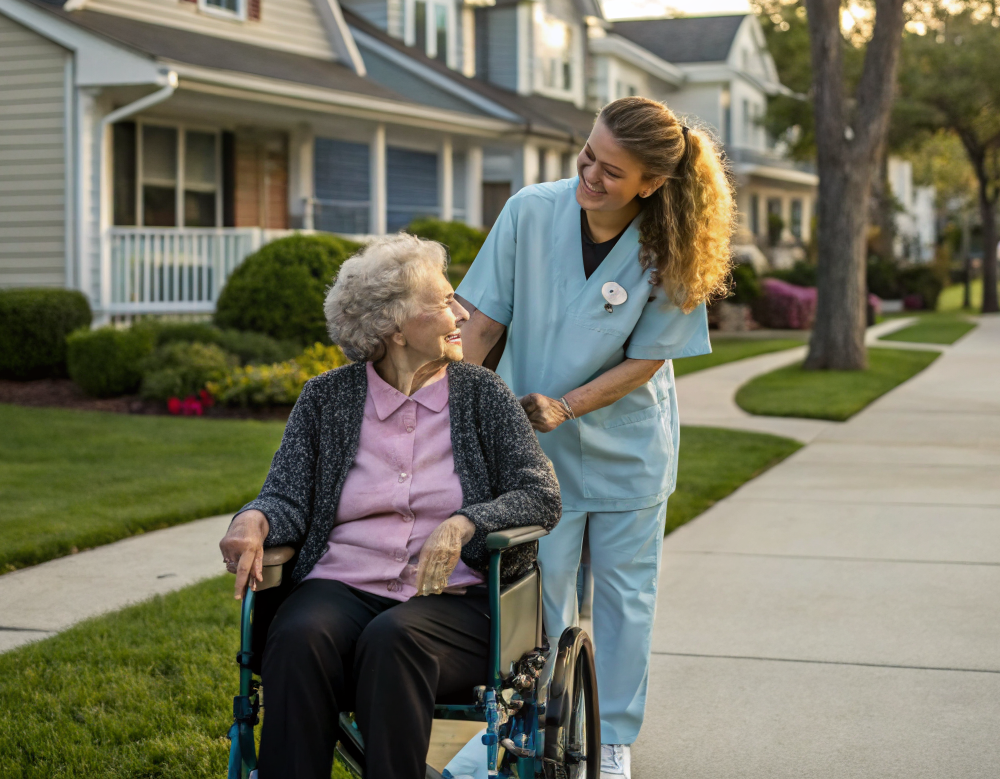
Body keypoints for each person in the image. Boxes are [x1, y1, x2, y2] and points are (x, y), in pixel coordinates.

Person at [449, 96, 736, 779]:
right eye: (586, 155)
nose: (588, 175)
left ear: (650, 183)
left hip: (625, 452)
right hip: (532, 454)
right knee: (533, 596)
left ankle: (608, 737)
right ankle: (514, 729)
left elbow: (649, 357)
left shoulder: (671, 243)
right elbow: (482, 323)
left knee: (622, 600)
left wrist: (568, 405)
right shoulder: (529, 211)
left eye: (610, 171)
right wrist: (449, 409)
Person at [218, 233, 562, 779]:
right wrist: (252, 519)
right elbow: (284, 495)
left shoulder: (483, 394)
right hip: (344, 587)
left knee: (394, 639)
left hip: (459, 600)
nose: (461, 313)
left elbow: (540, 494)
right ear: (394, 329)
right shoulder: (325, 400)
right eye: (443, 302)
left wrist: (466, 521)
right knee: (300, 635)